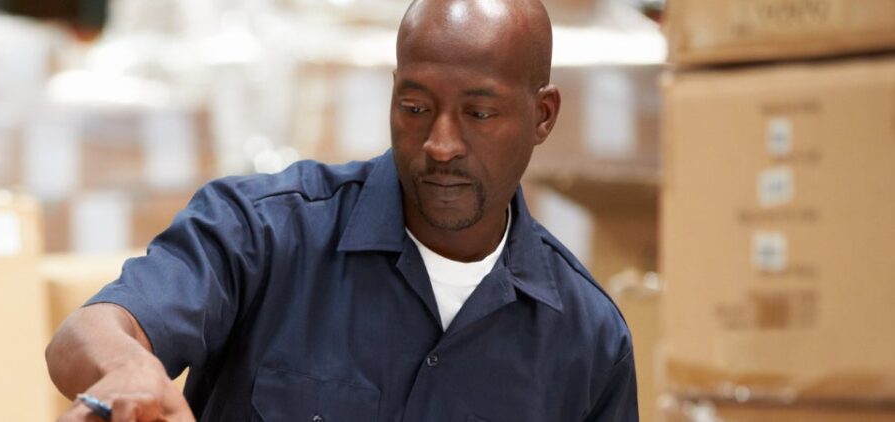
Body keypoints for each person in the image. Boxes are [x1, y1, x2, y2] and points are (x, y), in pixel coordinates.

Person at [45, 0, 638, 419]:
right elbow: (86, 332)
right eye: (414, 107)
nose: (440, 143)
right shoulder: (263, 234)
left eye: (479, 114)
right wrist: (129, 368)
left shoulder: (587, 341)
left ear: (543, 116)